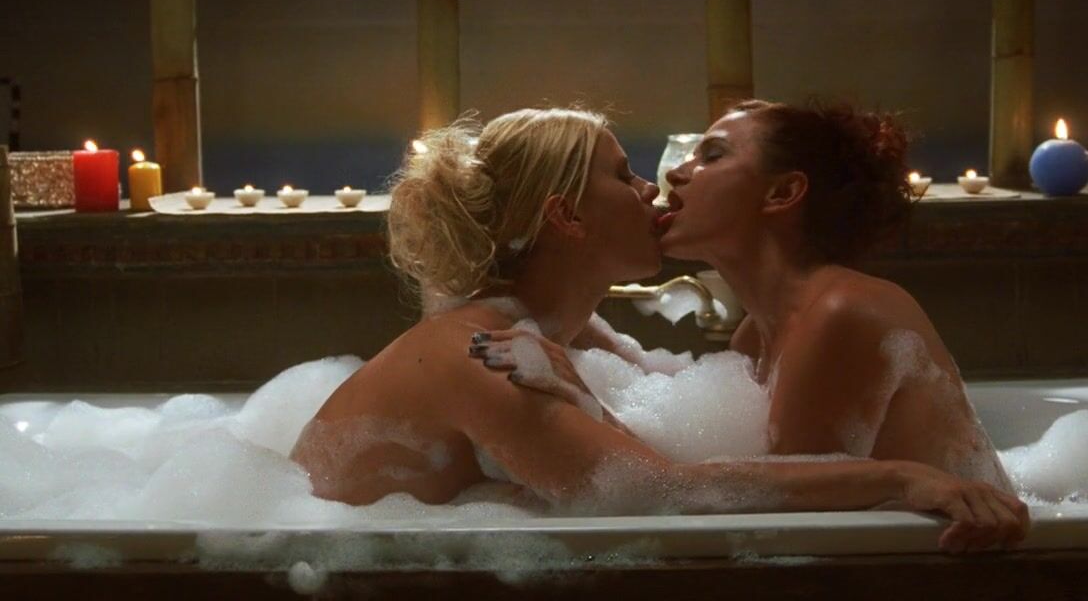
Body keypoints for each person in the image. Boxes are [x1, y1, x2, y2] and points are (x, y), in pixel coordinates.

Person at [290, 107, 1027, 552]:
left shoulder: (550, 337)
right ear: (566, 217)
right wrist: (901, 478)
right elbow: (659, 492)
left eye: (711, 155)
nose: (657, 185)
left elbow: (653, 463)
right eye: (625, 175)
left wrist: (590, 401)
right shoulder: (487, 352)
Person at [658, 99, 1014, 490]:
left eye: (712, 156)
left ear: (782, 192)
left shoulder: (842, 311)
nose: (675, 173)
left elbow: (779, 509)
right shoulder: (754, 336)